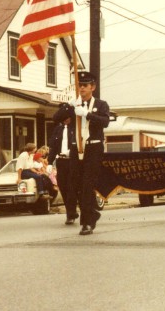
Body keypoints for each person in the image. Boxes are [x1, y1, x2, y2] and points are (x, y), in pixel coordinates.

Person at [54, 71, 110, 236]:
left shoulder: (101, 104)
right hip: (75, 149)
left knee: (87, 185)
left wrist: (87, 114)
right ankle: (93, 213)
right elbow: (56, 118)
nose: (82, 88)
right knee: (75, 186)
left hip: (93, 148)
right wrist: (69, 105)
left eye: (85, 85)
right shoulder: (74, 105)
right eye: (79, 85)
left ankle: (87, 223)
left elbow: (105, 122)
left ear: (92, 87)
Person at [48, 113, 79, 224]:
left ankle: (70, 214)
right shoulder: (58, 129)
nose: (66, 120)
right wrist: (50, 162)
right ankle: (71, 211)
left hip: (73, 160)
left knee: (71, 188)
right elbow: (53, 146)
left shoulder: (76, 128)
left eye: (67, 117)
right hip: (61, 161)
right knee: (63, 187)